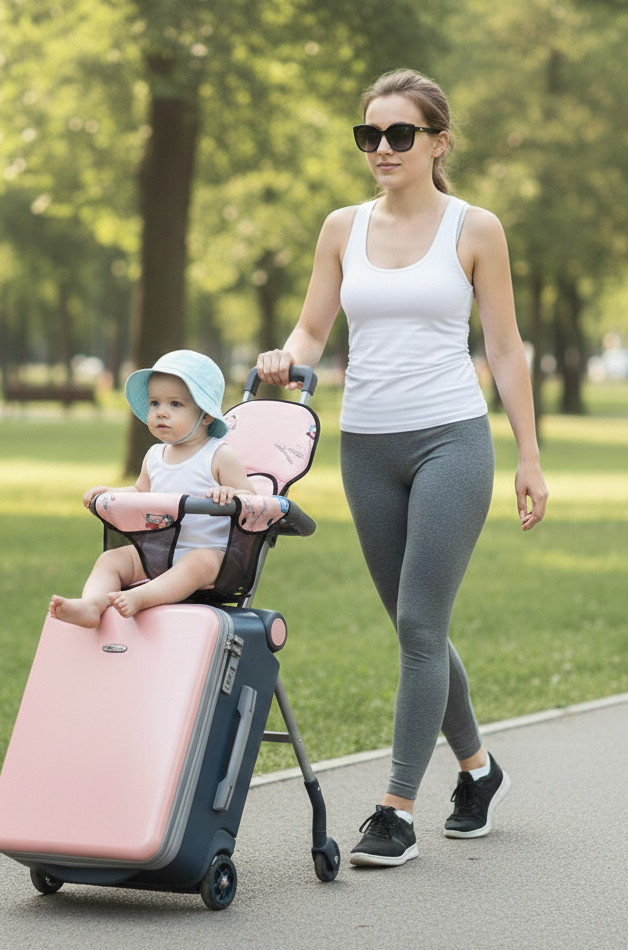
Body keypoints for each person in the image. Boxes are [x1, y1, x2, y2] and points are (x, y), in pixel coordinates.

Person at [256, 69, 548, 868]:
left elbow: (504, 348)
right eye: (368, 135)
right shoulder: (341, 227)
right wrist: (288, 357)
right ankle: (479, 772)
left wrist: (527, 456)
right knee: (414, 628)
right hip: (367, 448)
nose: (381, 149)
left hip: (451, 441)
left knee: (420, 628)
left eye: (398, 135)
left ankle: (395, 808)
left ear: (437, 142)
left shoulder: (474, 227)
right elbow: (314, 329)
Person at [49, 350, 256, 628]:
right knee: (112, 559)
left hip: (208, 554)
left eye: (175, 404)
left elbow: (252, 498)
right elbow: (141, 492)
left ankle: (142, 596)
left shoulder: (218, 455)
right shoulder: (155, 455)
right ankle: (92, 605)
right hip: (159, 551)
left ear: (206, 415)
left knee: (197, 564)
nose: (161, 411)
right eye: (154, 402)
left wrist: (231, 494)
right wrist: (113, 493)